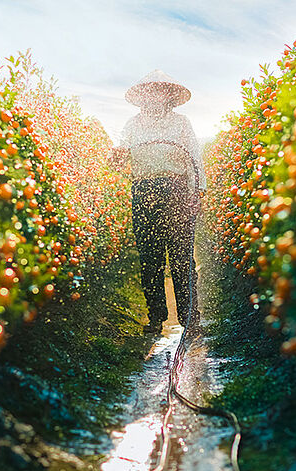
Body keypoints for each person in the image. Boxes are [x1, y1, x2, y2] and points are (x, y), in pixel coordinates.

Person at [112, 70, 206, 336]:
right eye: (150, 92)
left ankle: (190, 320)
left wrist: (196, 192)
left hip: (176, 190)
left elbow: (195, 159)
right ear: (143, 96)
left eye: (160, 91)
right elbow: (121, 156)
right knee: (150, 258)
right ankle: (156, 319)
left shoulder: (181, 123)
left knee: (181, 258)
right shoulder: (133, 124)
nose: (155, 96)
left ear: (168, 96)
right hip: (144, 191)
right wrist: (117, 157)